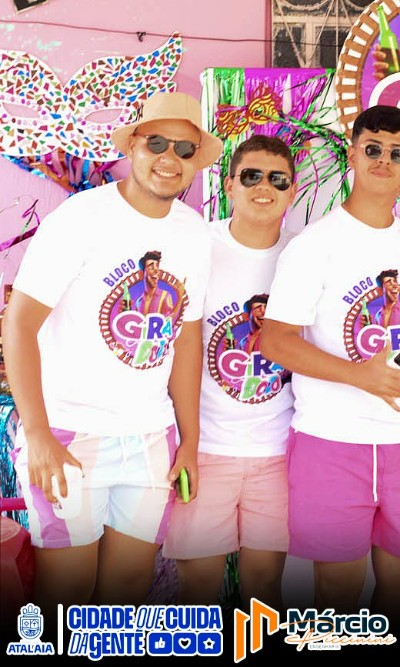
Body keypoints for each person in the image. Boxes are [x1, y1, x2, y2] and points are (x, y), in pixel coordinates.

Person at [3, 91, 221, 609]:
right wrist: (37, 435)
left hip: (150, 437)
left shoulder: (194, 234)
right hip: (69, 433)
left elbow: (186, 339)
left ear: (196, 161)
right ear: (133, 146)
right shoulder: (81, 218)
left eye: (184, 149)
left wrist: (189, 441)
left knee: (125, 595)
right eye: (157, 143)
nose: (169, 158)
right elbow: (19, 324)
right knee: (66, 593)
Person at [259, 106, 400, 623]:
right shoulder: (314, 245)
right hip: (332, 440)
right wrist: (360, 375)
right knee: (336, 599)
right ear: (352, 154)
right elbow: (276, 340)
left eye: (396, 153)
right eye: (373, 149)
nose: (384, 160)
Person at [163, 135, 297, 608]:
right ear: (228, 184)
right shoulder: (198, 246)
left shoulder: (303, 255)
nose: (264, 187)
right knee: (197, 589)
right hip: (205, 449)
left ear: (292, 190)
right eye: (251, 176)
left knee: (266, 588)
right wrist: (186, 442)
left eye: (278, 179)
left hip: (278, 452)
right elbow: (176, 344)